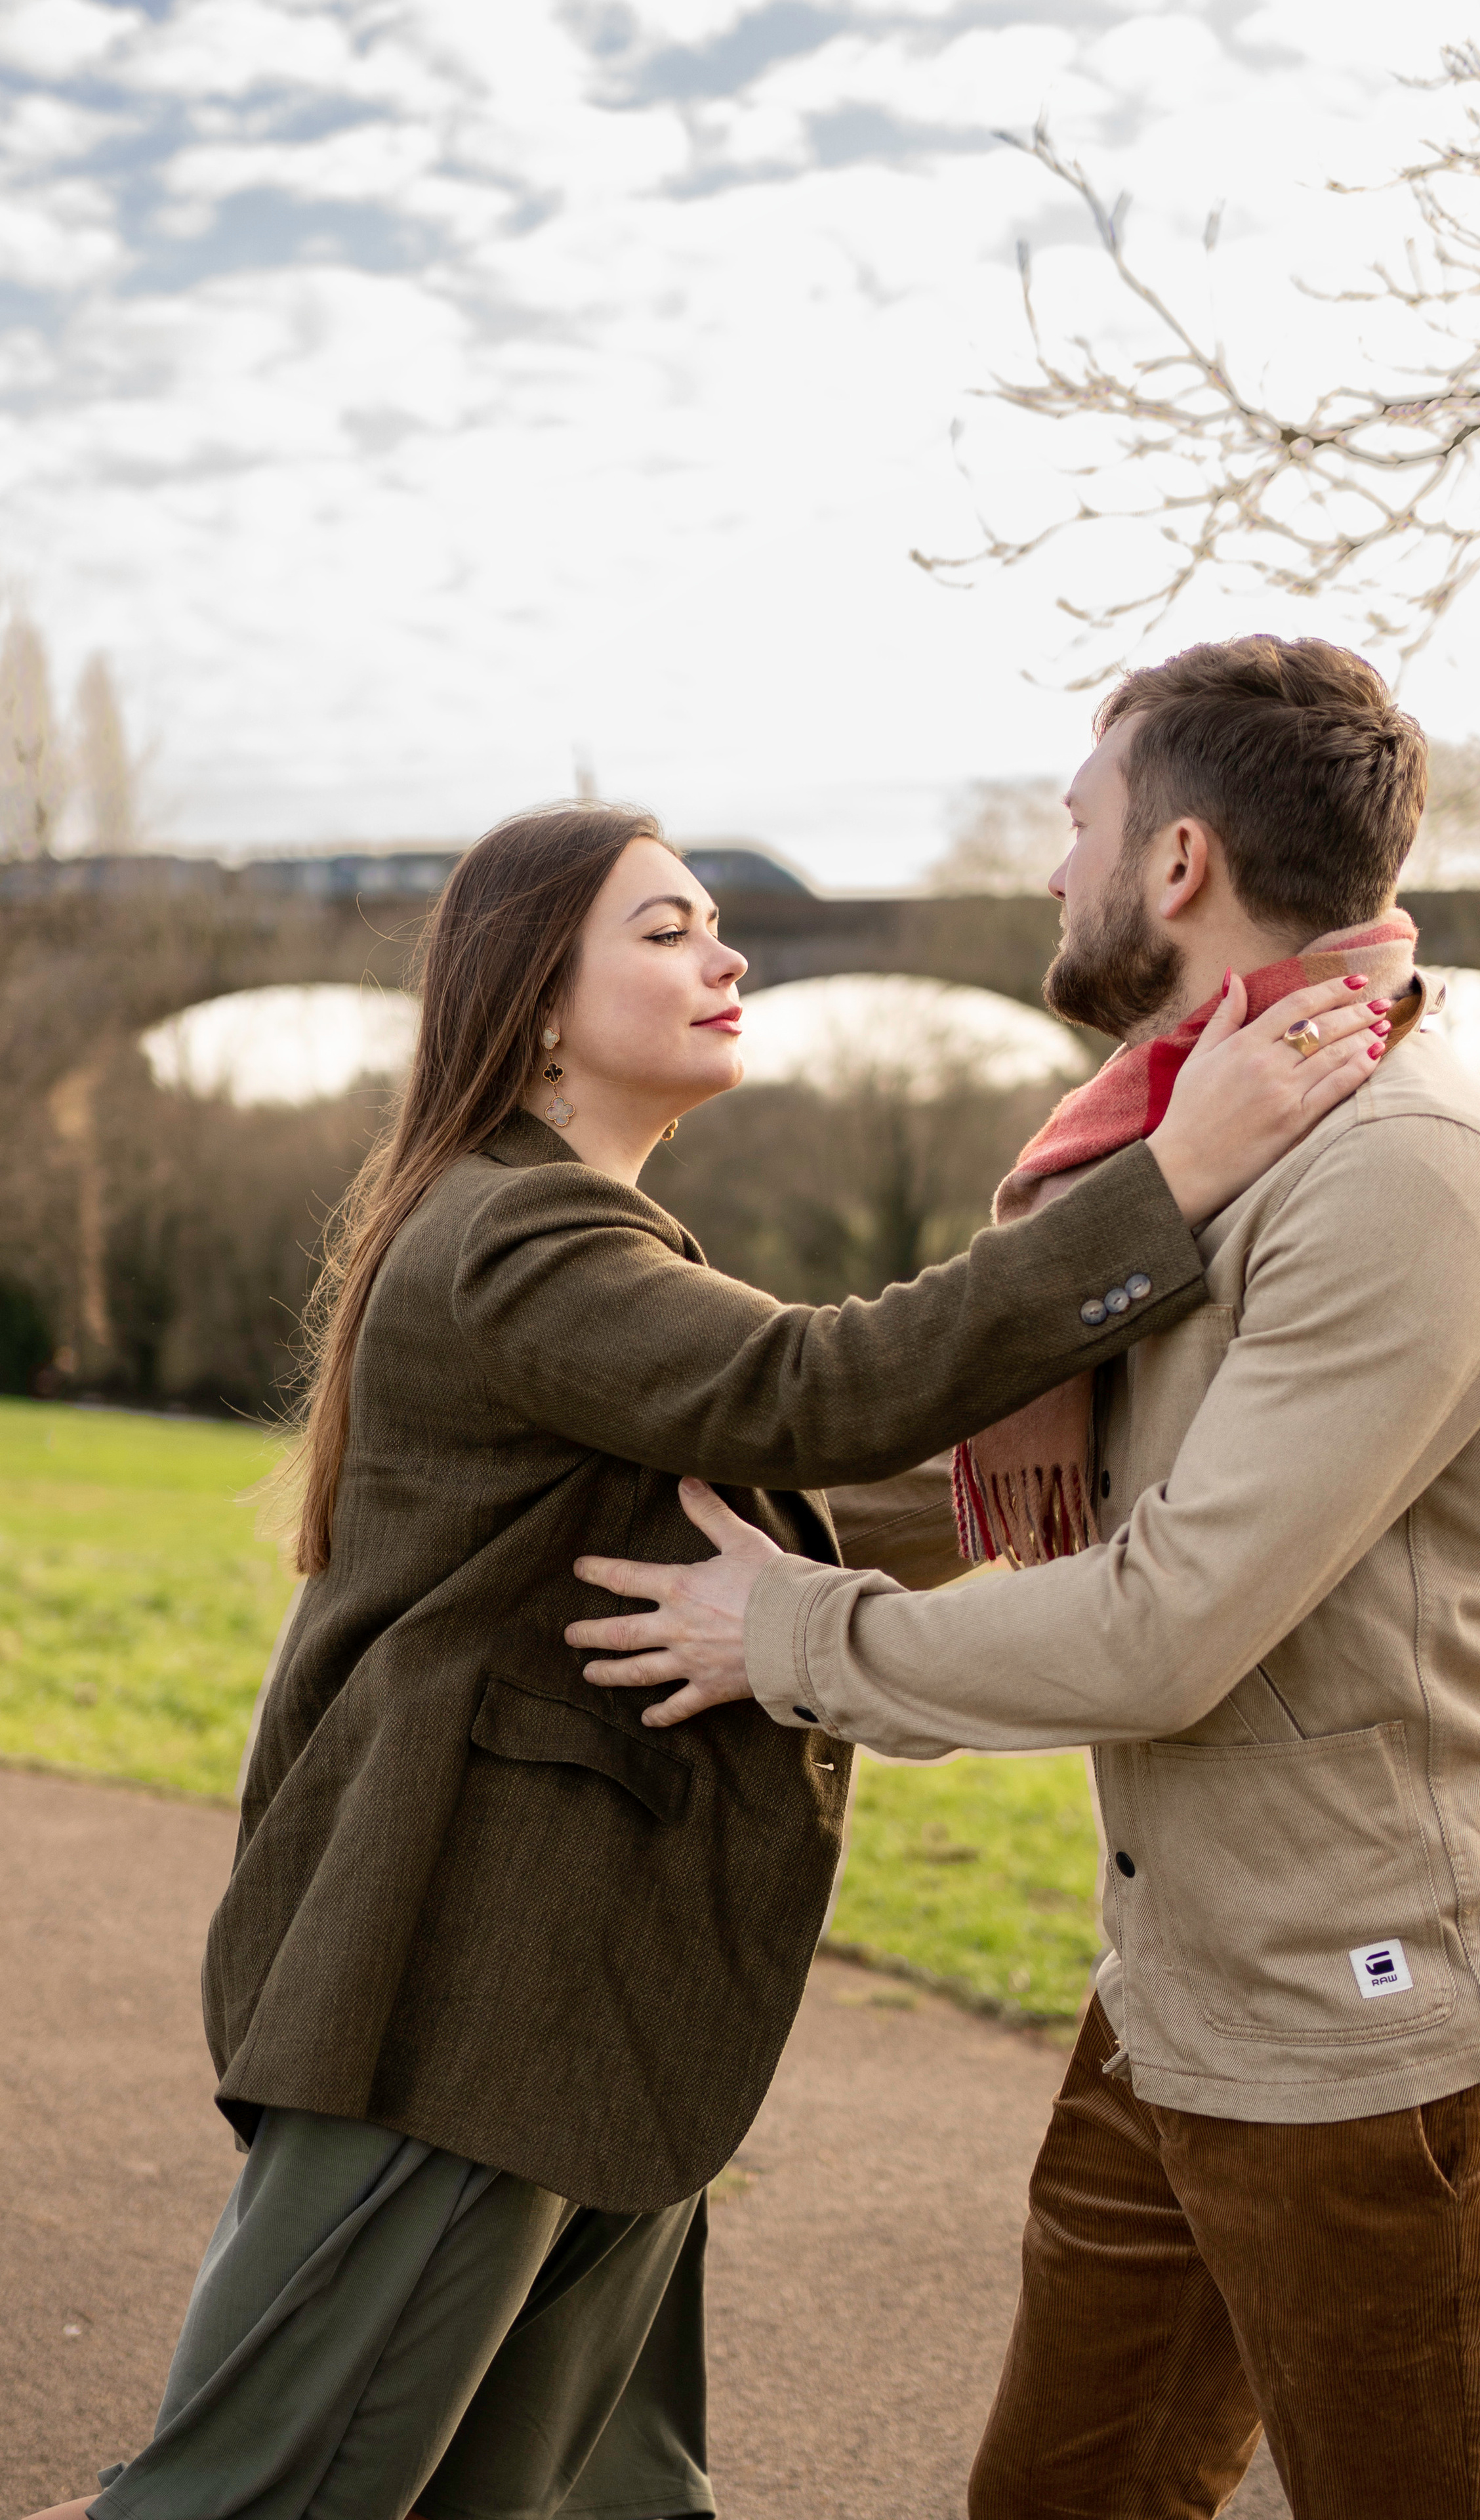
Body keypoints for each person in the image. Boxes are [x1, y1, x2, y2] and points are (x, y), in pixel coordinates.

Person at [31, 800, 1384, 2520]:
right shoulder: (519, 1238)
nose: (726, 954)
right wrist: (1174, 1178)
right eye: (664, 931)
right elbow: (813, 1392)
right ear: (529, 1005)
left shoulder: (571, 1239)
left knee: (602, 2500)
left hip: (589, 2010)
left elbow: (788, 1489)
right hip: (462, 1998)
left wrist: (1155, 1474)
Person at [570, 638, 1480, 2520]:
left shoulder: (1411, 1177)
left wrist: (789, 1636)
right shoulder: (1197, 1149)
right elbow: (1033, 1474)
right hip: (1184, 2007)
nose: (1056, 871)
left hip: (1380, 2065)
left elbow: (1164, 1622)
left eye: (1079, 825)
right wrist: (652, 1486)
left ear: (1181, 862)